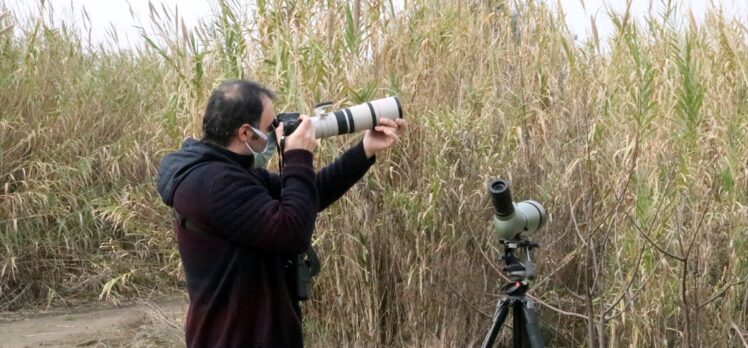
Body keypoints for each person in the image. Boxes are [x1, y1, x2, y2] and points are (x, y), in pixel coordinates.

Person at [156, 80, 407, 348]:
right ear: (245, 132)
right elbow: (292, 232)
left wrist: (365, 149)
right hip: (236, 338)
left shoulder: (224, 171)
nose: (276, 130)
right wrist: (297, 156)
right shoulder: (215, 183)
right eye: (269, 126)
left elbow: (310, 195)